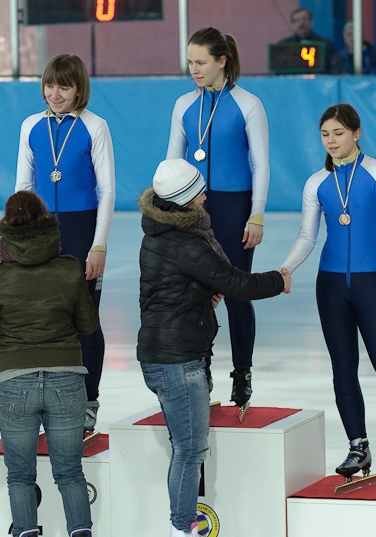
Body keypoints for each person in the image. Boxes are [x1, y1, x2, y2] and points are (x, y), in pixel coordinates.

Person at [137, 158, 290, 537]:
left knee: (187, 450)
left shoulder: (160, 232)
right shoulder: (186, 242)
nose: (206, 197)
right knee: (189, 452)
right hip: (176, 359)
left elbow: (169, 292)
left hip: (168, 351)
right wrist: (278, 279)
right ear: (186, 199)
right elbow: (236, 283)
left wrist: (199, 295)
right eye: (200, 191)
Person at [280, 104, 376, 494]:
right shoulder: (316, 182)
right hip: (330, 286)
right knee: (343, 369)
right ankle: (358, 447)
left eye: (338, 133)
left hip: (372, 283)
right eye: (325, 135)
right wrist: (285, 269)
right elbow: (307, 236)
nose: (331, 141)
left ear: (357, 133)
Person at [0, 190, 99, 537]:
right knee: (70, 472)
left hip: (14, 384)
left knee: (21, 475)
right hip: (66, 380)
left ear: (7, 227)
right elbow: (88, 326)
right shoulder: (69, 268)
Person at [166, 27, 270, 417]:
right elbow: (172, 163)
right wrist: (170, 208)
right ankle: (201, 370)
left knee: (237, 292)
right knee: (195, 292)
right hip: (192, 207)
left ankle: (241, 371)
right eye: (190, 61)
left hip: (234, 206)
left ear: (221, 61)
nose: (193, 69)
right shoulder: (182, 105)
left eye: (201, 62)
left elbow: (260, 163)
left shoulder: (248, 105)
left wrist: (256, 212)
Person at [15, 53, 114, 434]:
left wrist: (99, 244)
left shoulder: (95, 126)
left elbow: (106, 190)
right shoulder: (30, 126)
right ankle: (51, 402)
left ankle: (88, 402)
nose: (55, 94)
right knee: (43, 322)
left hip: (81, 230)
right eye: (50, 85)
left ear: (79, 90)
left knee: (84, 321)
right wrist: (16, 236)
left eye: (64, 87)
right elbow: (23, 185)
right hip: (40, 233)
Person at [278, 6, 335, 71]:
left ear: (312, 22)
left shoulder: (325, 44)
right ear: (292, 24)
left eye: (305, 19)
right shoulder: (283, 45)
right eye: (297, 20)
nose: (301, 23)